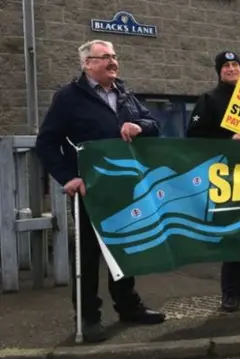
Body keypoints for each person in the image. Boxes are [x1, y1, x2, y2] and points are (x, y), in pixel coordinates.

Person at [34, 39, 165, 343]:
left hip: (125, 188)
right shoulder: (68, 97)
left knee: (124, 249)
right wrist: (68, 178)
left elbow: (154, 124)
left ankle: (128, 306)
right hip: (89, 190)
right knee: (88, 257)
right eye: (105, 57)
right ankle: (89, 318)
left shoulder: (125, 94)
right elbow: (47, 142)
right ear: (87, 63)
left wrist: (139, 127)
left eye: (114, 56)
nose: (112, 61)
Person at [186, 50, 240, 312]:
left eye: (236, 65)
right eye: (226, 66)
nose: (232, 69)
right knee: (233, 233)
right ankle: (229, 292)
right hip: (225, 177)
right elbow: (194, 137)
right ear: (219, 71)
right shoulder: (209, 99)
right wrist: (226, 141)